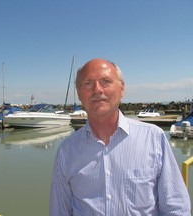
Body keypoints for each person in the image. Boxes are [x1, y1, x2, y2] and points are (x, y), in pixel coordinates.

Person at [49, 58, 191, 215]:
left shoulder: (154, 139)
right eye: (88, 83)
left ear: (122, 89)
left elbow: (176, 207)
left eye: (106, 81)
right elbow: (59, 211)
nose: (97, 89)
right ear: (79, 94)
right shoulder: (67, 151)